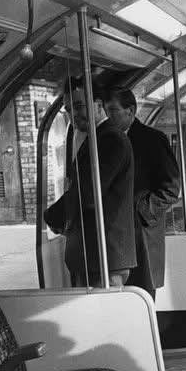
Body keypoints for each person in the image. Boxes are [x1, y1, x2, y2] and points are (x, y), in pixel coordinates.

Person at [51, 76, 136, 288]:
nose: (74, 114)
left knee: (104, 319)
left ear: (98, 105)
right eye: (69, 109)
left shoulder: (110, 139)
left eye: (79, 106)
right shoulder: (95, 138)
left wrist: (53, 216)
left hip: (103, 256)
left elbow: (88, 193)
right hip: (93, 255)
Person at [101, 87, 181, 299]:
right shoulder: (103, 143)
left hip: (141, 235)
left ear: (131, 111)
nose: (107, 116)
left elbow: (171, 189)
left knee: (143, 297)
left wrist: (140, 211)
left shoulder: (153, 140)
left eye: (112, 110)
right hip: (113, 237)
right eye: (104, 110)